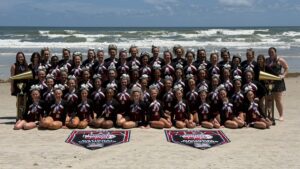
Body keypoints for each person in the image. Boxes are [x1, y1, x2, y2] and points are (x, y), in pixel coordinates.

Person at [266, 47, 288, 121]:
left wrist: (283, 75)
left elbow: (286, 68)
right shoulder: (267, 60)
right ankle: (269, 115)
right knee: (269, 99)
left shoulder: (280, 60)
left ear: (275, 52)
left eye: (272, 52)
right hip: (269, 81)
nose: (270, 53)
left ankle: (281, 115)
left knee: (278, 100)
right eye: (269, 52)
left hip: (278, 82)